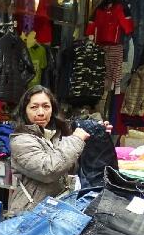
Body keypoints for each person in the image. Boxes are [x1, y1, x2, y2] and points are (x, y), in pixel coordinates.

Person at [9, 85, 90, 214]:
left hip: (55, 209)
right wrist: (76, 140)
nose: (41, 112)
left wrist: (97, 132)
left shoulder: (55, 135)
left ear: (53, 110)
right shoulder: (20, 141)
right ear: (24, 110)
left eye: (46, 106)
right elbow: (48, 170)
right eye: (34, 107)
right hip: (30, 213)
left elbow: (71, 165)